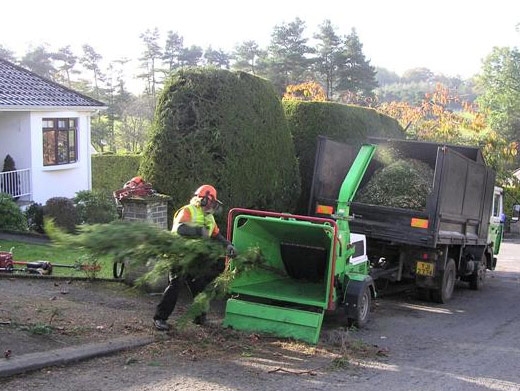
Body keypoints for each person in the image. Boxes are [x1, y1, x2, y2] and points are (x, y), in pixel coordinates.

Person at [153, 184, 235, 331]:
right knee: (175, 285)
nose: (213, 204)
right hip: (179, 255)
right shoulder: (187, 211)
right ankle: (160, 318)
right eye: (211, 201)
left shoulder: (209, 217)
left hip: (195, 259)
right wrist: (198, 231)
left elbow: (217, 235)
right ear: (204, 199)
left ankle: (200, 316)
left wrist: (228, 245)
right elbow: (179, 229)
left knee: (200, 285)